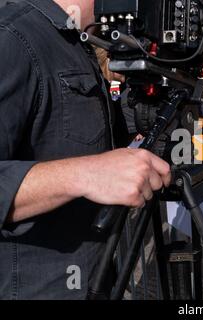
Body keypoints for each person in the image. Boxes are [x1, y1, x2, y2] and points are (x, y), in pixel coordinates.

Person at [0, 0, 171, 299]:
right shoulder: (13, 36)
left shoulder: (78, 42)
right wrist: (86, 175)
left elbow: (95, 136)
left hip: (96, 280)